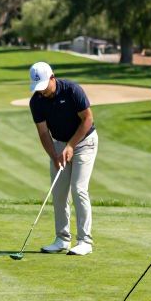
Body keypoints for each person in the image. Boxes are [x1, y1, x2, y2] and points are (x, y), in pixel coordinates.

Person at [28, 61, 98, 256]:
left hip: (84, 142)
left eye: (44, 86)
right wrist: (55, 155)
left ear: (53, 77)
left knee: (78, 189)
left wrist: (71, 146)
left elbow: (88, 119)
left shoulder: (72, 91)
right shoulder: (36, 101)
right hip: (58, 144)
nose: (42, 91)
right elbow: (43, 133)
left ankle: (85, 241)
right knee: (59, 192)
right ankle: (62, 239)